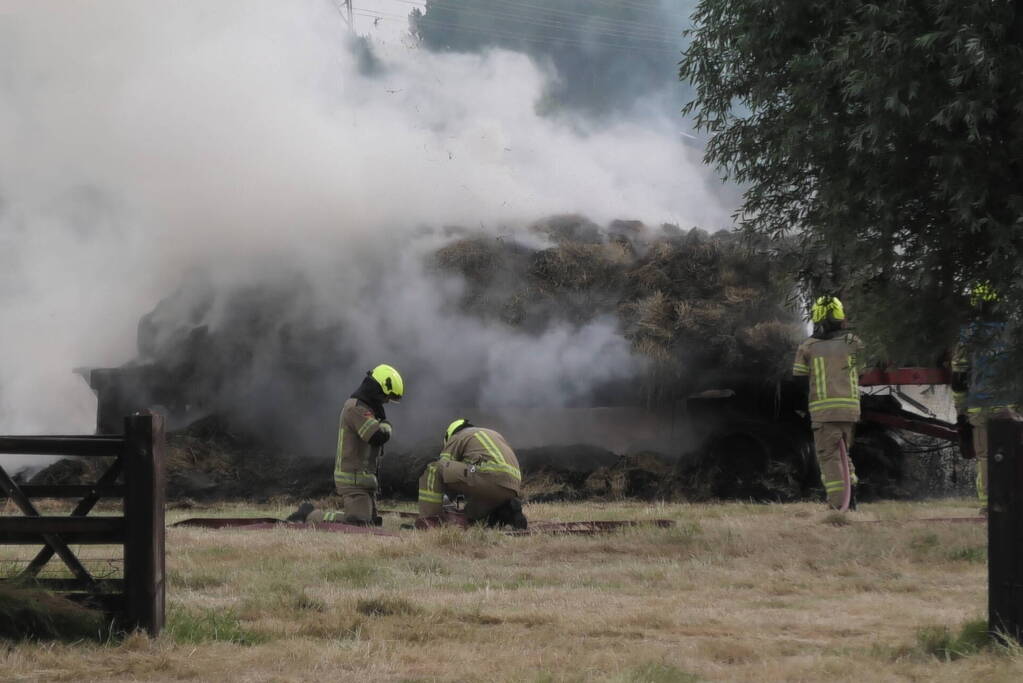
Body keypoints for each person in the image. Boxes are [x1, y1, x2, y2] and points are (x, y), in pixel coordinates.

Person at [287, 364, 403, 525]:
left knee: (371, 522)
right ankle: (310, 515)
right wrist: (386, 425)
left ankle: (317, 515)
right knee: (358, 523)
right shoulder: (355, 409)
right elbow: (377, 436)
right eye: (386, 397)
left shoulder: (366, 410)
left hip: (363, 480)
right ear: (378, 389)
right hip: (353, 481)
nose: (386, 402)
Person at [792, 296, 865, 510]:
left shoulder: (808, 347)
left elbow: (798, 380)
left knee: (830, 457)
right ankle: (851, 501)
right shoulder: (854, 342)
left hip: (824, 412)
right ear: (841, 318)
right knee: (844, 455)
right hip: (851, 409)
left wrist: (803, 408)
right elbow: (862, 371)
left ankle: (837, 506)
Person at [951, 284, 1018, 515]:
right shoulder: (1013, 331)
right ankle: (1013, 501)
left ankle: (989, 506)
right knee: (1013, 453)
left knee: (986, 457)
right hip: (1011, 404)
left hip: (980, 404)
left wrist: (960, 409)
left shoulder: (968, 335)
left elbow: (959, 375)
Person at [417, 419, 527, 529]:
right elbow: (462, 481)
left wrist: (446, 499)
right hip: (511, 487)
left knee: (434, 469)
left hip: (487, 476)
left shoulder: (457, 436)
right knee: (473, 516)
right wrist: (461, 508)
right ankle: (507, 514)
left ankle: (430, 521)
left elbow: (444, 466)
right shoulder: (490, 435)